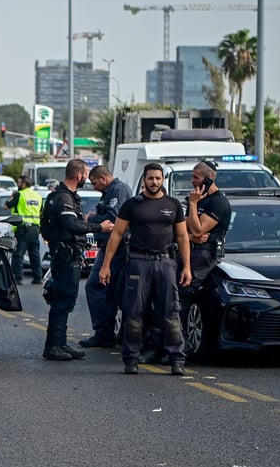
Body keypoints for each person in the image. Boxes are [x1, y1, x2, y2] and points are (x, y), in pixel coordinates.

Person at [98, 162, 192, 376]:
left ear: (163, 180)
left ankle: (177, 358)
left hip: (166, 264)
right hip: (138, 263)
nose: (154, 182)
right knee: (134, 313)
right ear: (144, 180)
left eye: (158, 178)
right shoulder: (132, 205)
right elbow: (117, 234)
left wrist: (186, 267)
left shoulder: (173, 204)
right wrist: (106, 266)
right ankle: (131, 359)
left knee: (171, 313)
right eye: (150, 178)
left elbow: (183, 236)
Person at [40, 159, 91, 361]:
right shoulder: (63, 198)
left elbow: (44, 225)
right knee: (62, 300)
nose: (86, 178)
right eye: (85, 174)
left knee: (66, 300)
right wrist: (98, 227)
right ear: (79, 175)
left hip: (64, 252)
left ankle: (60, 343)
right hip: (65, 254)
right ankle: (53, 346)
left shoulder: (60, 196)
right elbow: (72, 225)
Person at [80, 165, 132, 347]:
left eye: (94, 182)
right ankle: (108, 333)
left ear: (103, 177)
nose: (94, 186)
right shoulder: (112, 191)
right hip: (111, 246)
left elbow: (113, 220)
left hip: (116, 248)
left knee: (94, 286)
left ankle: (103, 331)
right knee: (109, 291)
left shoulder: (117, 191)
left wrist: (91, 219)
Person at [180, 159, 231, 317]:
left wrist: (194, 204)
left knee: (184, 289)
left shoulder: (218, 202)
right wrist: (190, 236)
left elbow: (198, 230)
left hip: (206, 253)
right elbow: (185, 227)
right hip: (189, 249)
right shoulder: (195, 197)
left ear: (209, 180)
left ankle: (180, 335)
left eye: (196, 177)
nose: (192, 181)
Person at [4, 174, 43, 284]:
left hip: (22, 229)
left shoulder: (19, 195)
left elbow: (6, 206)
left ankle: (18, 278)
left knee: (18, 254)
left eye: (19, 182)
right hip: (35, 229)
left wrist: (12, 196)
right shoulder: (38, 196)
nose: (17, 184)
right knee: (34, 254)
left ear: (24, 184)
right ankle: (38, 277)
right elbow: (41, 212)